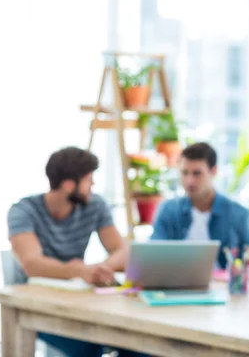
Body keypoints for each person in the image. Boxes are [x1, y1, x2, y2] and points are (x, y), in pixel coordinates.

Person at [8, 147, 147, 357]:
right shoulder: (23, 211)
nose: (93, 184)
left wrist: (102, 269)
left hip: (80, 301)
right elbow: (32, 265)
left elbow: (122, 250)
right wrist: (80, 271)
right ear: (68, 184)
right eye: (88, 179)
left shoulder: (95, 204)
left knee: (138, 346)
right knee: (88, 349)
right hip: (37, 305)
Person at [151, 142, 249, 268]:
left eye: (197, 173)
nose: (189, 181)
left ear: (213, 171)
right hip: (176, 285)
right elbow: (154, 259)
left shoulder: (241, 216)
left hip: (223, 286)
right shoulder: (168, 210)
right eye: (184, 173)